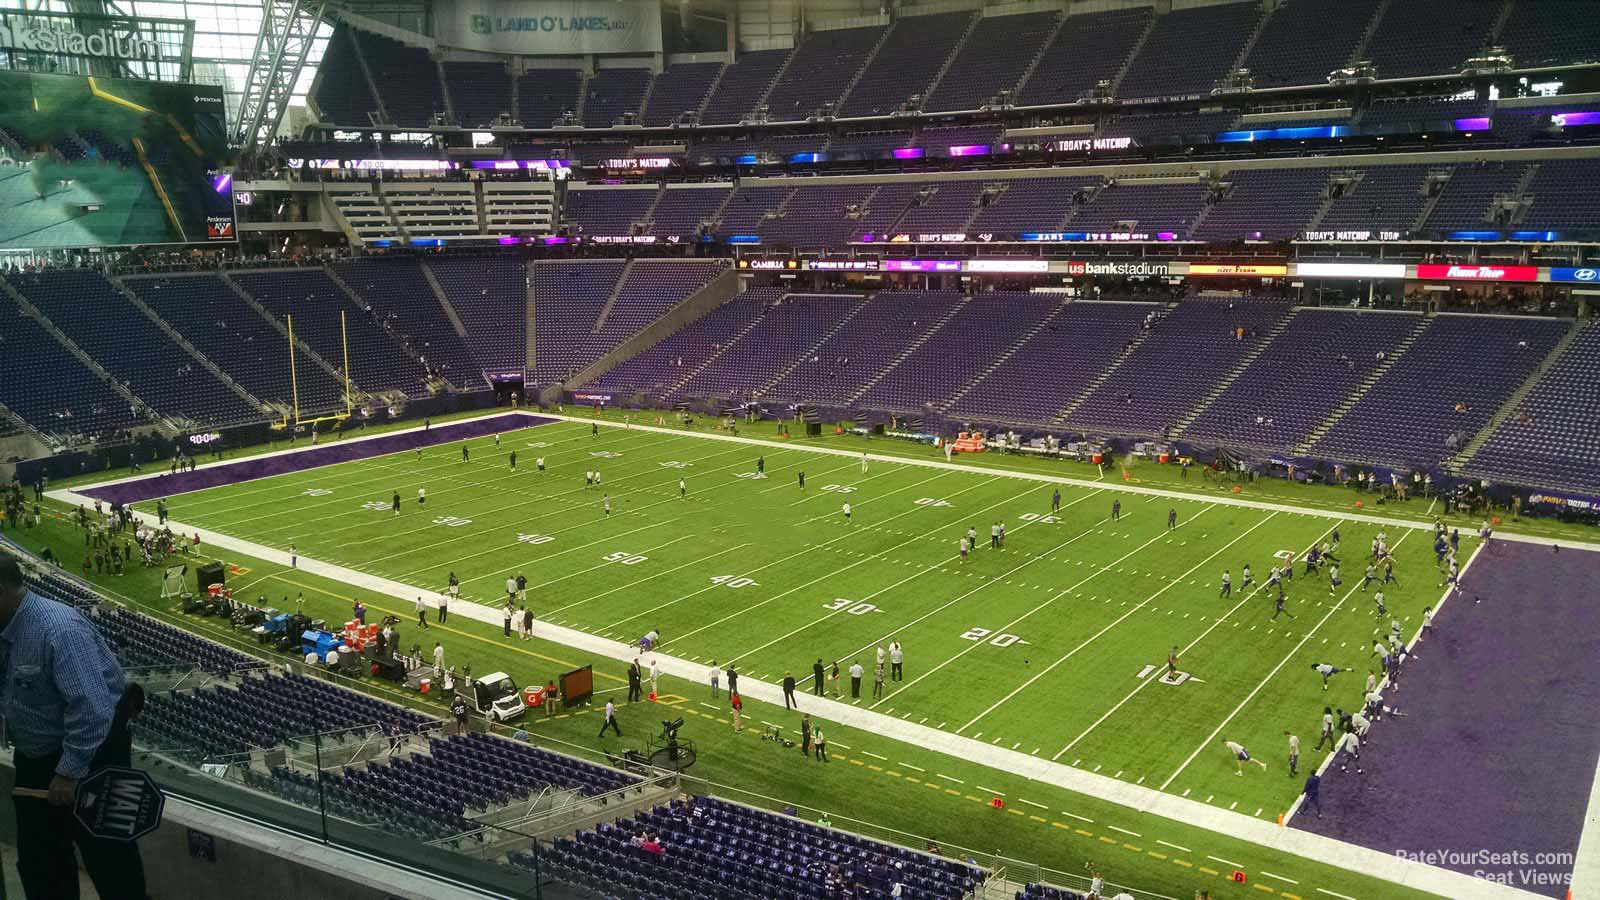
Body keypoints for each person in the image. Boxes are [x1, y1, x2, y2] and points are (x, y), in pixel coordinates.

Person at [0, 558, 148, 900]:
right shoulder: (7, 626)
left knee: (113, 864)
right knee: (41, 867)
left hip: (94, 759)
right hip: (35, 759)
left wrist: (68, 772)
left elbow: (93, 710)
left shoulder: (59, 629)